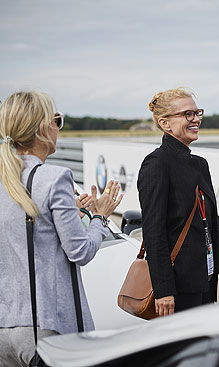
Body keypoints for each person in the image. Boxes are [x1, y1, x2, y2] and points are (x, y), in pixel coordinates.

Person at [0, 91, 122, 366]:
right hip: (46, 330)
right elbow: (80, 251)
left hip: (5, 330)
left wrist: (74, 212)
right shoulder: (54, 178)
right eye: (58, 120)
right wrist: (98, 218)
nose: (58, 127)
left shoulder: (6, 178)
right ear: (44, 128)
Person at [137, 87, 219, 316]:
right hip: (177, 288)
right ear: (165, 123)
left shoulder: (199, 164)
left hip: (205, 280)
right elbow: (153, 232)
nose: (195, 119)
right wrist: (163, 290)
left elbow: (214, 227)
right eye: (187, 114)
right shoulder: (156, 164)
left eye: (197, 113)